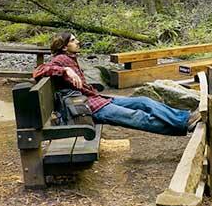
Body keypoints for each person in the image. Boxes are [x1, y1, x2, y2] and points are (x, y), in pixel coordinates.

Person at [33, 32, 199, 136]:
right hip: (90, 108)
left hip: (97, 100)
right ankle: (183, 125)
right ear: (64, 47)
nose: (78, 42)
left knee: (143, 101)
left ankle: (184, 118)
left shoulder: (70, 58)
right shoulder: (61, 60)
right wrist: (65, 71)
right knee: (138, 117)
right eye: (73, 40)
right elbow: (38, 71)